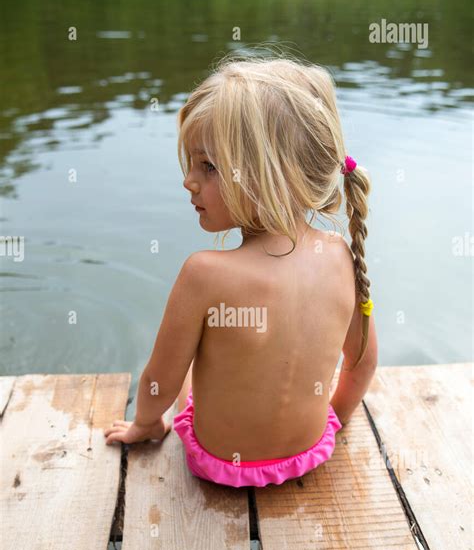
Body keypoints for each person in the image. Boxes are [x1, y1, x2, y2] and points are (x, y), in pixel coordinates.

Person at [104, 50, 378, 488]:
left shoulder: (204, 273)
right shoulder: (342, 257)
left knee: (190, 365)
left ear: (272, 174)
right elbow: (362, 365)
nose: (188, 181)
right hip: (309, 453)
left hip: (219, 464)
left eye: (208, 166)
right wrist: (333, 425)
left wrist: (146, 425)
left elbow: (160, 381)